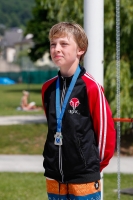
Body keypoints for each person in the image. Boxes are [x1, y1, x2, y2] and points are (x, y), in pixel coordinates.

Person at [42, 22, 116, 200]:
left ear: (80, 50)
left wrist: (93, 166)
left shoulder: (90, 87)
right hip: (54, 176)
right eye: (53, 44)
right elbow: (53, 127)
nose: (57, 49)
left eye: (64, 44)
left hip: (84, 177)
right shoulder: (48, 88)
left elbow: (106, 133)